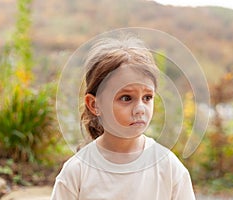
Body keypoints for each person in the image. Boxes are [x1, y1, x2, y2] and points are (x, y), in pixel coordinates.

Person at [51, 36, 196, 200]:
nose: (140, 109)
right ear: (94, 104)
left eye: (147, 97)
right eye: (126, 98)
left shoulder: (168, 166)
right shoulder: (77, 171)